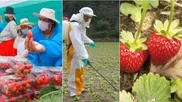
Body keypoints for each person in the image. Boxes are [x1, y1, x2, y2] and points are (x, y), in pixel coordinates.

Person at [67, 7, 96, 97]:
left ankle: (80, 88)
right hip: (73, 49)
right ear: (81, 15)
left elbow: (83, 36)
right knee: (74, 70)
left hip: (79, 49)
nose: (88, 19)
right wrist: (85, 56)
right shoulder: (74, 25)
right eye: (86, 17)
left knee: (80, 69)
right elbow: (77, 41)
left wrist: (90, 41)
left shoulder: (81, 25)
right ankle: (73, 91)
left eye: (90, 17)